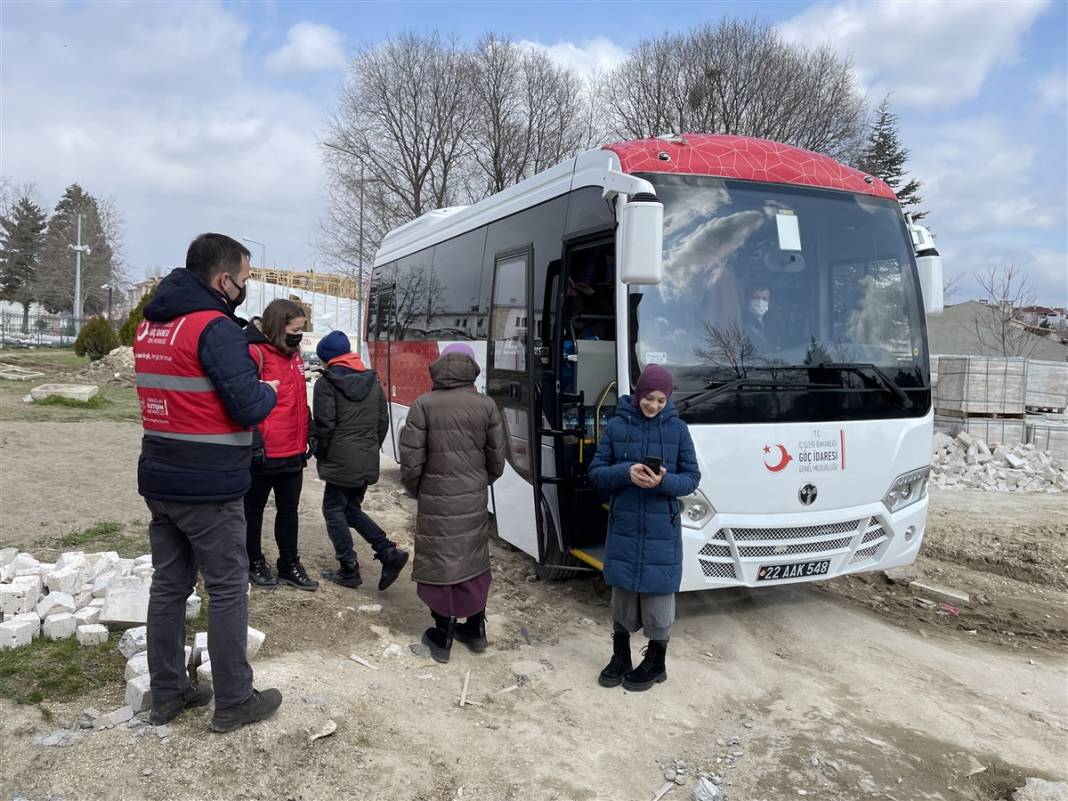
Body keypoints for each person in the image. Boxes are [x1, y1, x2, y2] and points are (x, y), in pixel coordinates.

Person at [134, 233, 283, 733]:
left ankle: (168, 692)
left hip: (160, 476)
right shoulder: (213, 328)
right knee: (227, 589)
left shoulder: (152, 325)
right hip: (209, 485)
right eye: (244, 278)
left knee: (169, 586)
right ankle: (235, 700)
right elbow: (247, 404)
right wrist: (268, 388)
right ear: (224, 280)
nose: (244, 287)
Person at [588, 364, 701, 692]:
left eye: (660, 400)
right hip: (624, 522)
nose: (653, 406)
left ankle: (656, 661)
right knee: (622, 591)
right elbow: (597, 472)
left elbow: (691, 478)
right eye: (648, 398)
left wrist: (664, 481)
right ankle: (620, 656)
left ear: (668, 400)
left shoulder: (678, 430)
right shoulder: (616, 425)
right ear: (638, 395)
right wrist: (626, 473)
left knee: (658, 595)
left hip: (661, 526)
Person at [398, 344, 506, 664]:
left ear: (440, 365)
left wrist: (419, 489)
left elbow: (411, 460)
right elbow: (497, 460)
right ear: (472, 368)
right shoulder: (486, 405)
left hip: (435, 495)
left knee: (441, 559)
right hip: (472, 494)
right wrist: (477, 483)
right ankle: (476, 629)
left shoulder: (423, 404)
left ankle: (442, 635)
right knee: (472, 559)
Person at [313, 330, 410, 590]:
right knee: (350, 510)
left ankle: (349, 569)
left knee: (333, 510)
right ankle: (389, 552)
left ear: (328, 359)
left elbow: (324, 426)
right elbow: (382, 421)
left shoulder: (326, 383)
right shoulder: (371, 380)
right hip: (365, 457)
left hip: (341, 459)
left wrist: (322, 454)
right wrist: (368, 449)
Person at [243, 299, 317, 591]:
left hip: (293, 451)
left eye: (301, 330)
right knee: (253, 511)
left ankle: (289, 563)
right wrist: (254, 443)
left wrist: (310, 432)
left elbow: (299, 399)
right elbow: (245, 401)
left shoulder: (295, 354)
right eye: (294, 329)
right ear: (277, 326)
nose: (299, 335)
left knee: (289, 510)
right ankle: (253, 561)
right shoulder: (255, 353)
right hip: (264, 452)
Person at [741, 284, 775, 352]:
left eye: (764, 299)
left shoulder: (775, 323)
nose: (760, 302)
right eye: (756, 298)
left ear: (769, 301)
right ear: (748, 300)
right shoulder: (741, 321)